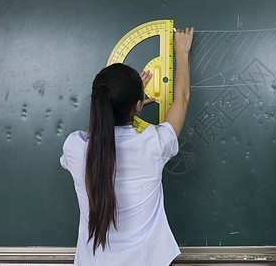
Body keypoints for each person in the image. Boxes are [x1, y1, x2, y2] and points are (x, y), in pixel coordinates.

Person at [60, 27, 194, 266]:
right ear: (139, 106)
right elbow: (181, 98)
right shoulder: (153, 144)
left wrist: (124, 99)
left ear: (96, 103)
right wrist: (181, 53)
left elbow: (97, 129)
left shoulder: (74, 147)